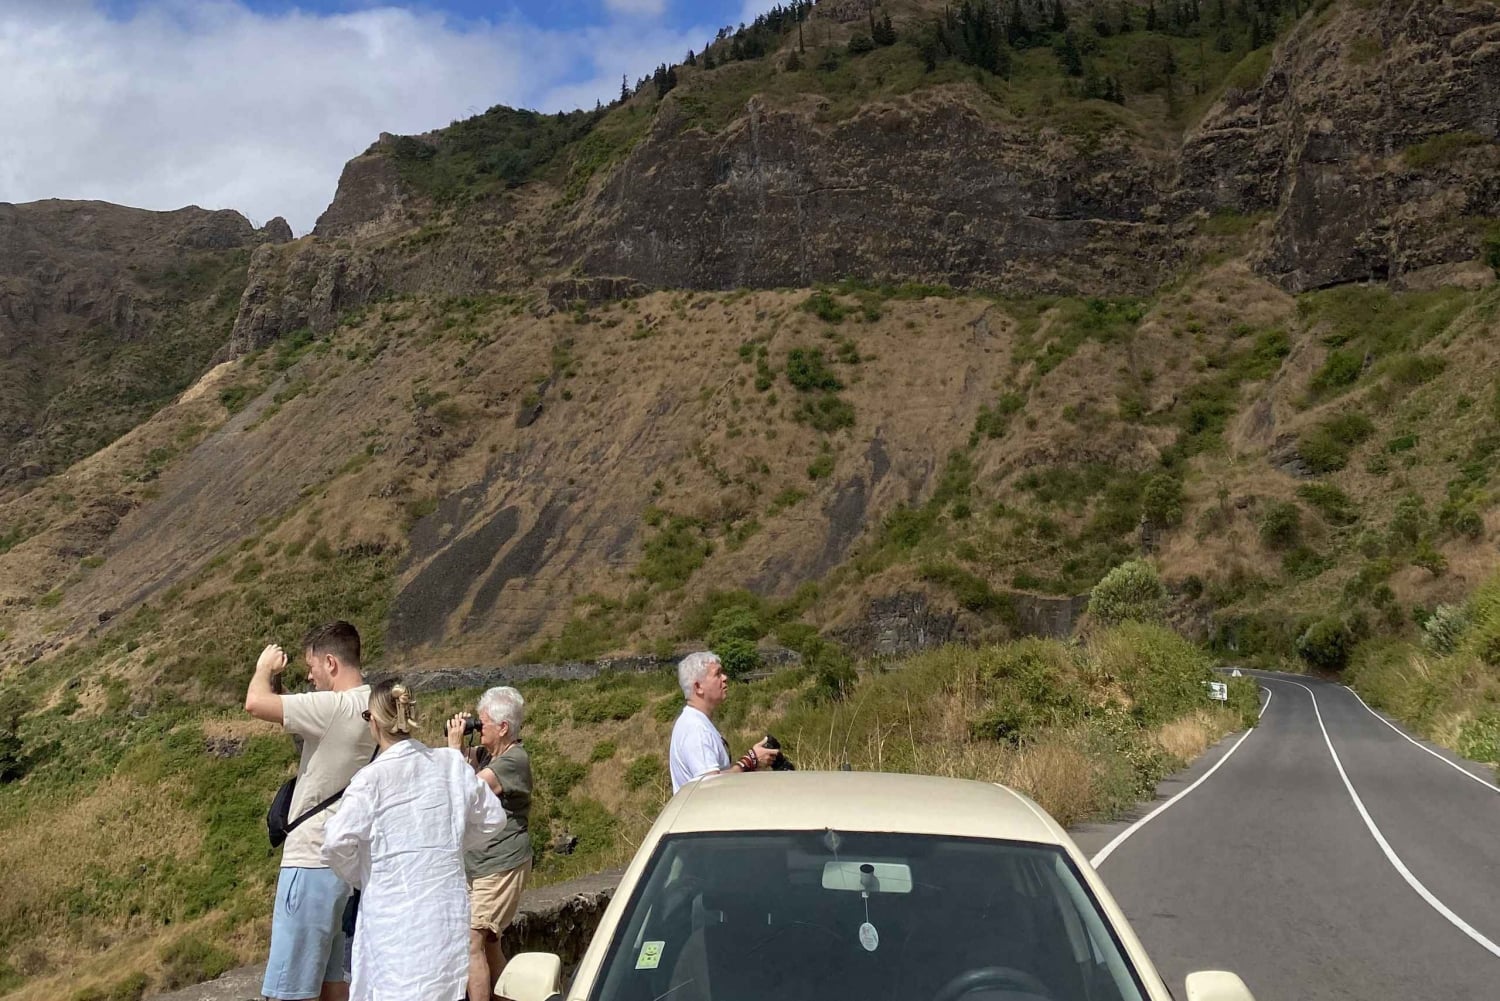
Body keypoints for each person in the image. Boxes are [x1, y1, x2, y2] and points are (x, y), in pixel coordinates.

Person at [323, 679, 507, 1001]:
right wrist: (448, 845)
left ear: (375, 721)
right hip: (442, 919)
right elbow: (493, 818)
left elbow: (336, 842)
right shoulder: (449, 765)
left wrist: (365, 873)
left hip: (392, 921)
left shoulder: (370, 780)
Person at [245, 621, 376, 1001]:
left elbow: (255, 703)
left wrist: (264, 669)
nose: (309, 675)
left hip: (311, 861)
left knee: (289, 989)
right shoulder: (374, 708)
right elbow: (309, 737)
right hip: (346, 865)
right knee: (333, 984)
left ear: (331, 663)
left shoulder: (335, 705)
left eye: (312, 666)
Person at [446, 686, 533, 1001]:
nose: (478, 729)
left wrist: (456, 746)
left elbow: (465, 791)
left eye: (482, 724)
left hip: (501, 862)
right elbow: (448, 769)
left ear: (503, 727)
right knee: (490, 940)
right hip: (482, 864)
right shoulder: (488, 754)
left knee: (472, 941)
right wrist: (457, 740)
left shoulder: (513, 761)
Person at [669, 651, 778, 794]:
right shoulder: (696, 730)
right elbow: (711, 786)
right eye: (717, 674)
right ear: (698, 687)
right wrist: (748, 761)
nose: (725, 678)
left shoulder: (693, 721)